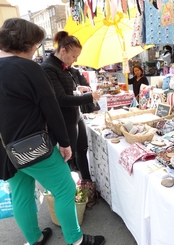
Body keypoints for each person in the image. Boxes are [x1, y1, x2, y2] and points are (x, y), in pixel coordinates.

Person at [0, 18, 105, 245]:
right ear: (27, 44)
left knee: (21, 193)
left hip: (5, 147)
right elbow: (52, 107)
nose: (36, 49)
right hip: (32, 144)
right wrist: (65, 143)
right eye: (36, 44)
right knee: (65, 188)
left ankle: (34, 239)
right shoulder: (29, 68)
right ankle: (76, 240)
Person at [41, 31, 100, 181]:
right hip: (65, 120)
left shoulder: (62, 66)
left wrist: (76, 89)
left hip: (76, 116)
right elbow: (60, 99)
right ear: (63, 51)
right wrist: (89, 98)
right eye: (73, 56)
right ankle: (71, 189)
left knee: (82, 150)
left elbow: (64, 89)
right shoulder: (49, 68)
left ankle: (87, 182)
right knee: (68, 157)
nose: (74, 60)